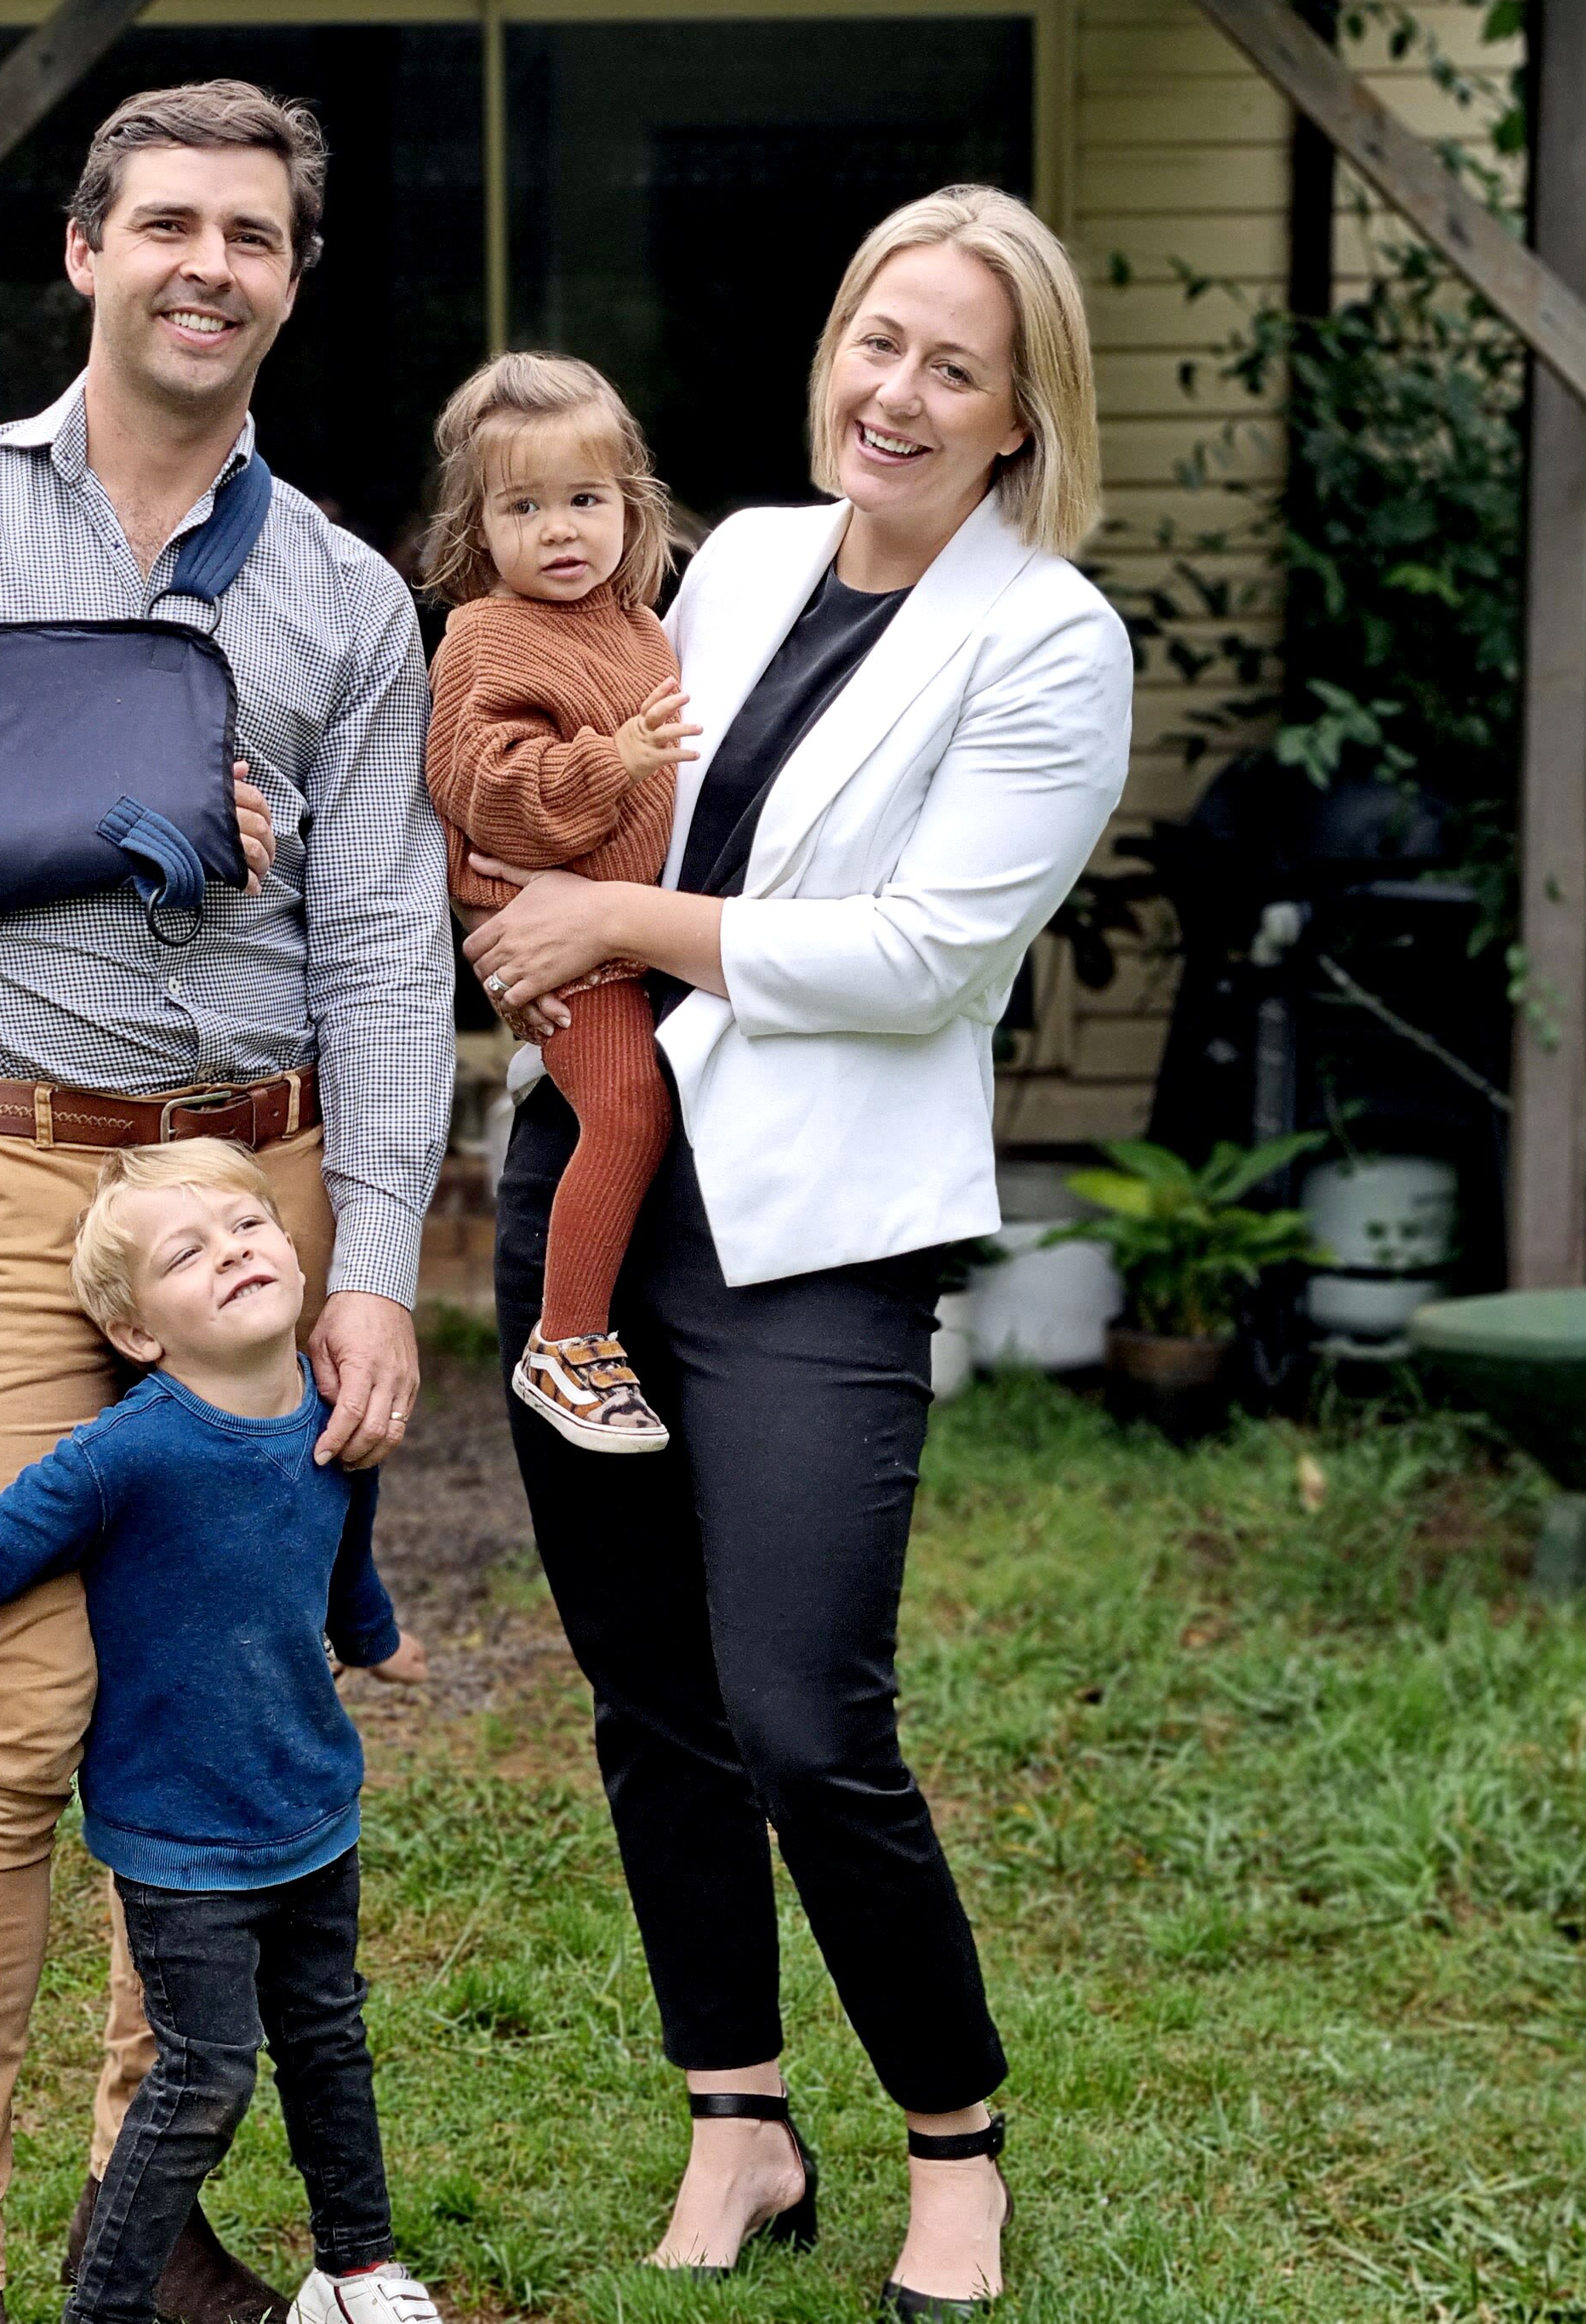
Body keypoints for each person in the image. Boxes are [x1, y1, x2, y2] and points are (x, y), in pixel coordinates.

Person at [0, 78, 455, 2324]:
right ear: (79, 251)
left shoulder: (353, 597)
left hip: (250, 1184)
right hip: (6, 1174)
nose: (205, 263)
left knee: (191, 1709)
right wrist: (126, 811)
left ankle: (138, 2221)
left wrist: (377, 1264)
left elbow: (385, 939)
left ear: (290, 280)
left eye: (250, 235)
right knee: (13, 1716)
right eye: (161, 221)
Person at [456, 185, 1133, 2318]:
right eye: (876, 342)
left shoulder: (1049, 639)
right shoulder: (733, 557)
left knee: (803, 1711)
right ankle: (736, 2119)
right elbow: (571, 768)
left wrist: (615, 930)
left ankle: (957, 2147)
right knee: (653, 1704)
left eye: (954, 365)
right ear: (829, 352)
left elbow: (932, 956)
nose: (899, 393)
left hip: (811, 1245)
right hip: (587, 1182)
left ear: (1021, 416)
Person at [0, 1141, 437, 2324]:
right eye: (190, 1250)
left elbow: (343, 1549)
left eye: (247, 1225)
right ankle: (111, 2305)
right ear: (138, 1335)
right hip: (179, 1842)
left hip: (311, 1808)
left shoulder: (331, 1415)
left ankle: (356, 2269)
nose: (233, 1251)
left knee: (330, 2042)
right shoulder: (125, 1456)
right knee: (208, 2076)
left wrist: (372, 1636)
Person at [417, 352, 694, 1454]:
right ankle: (567, 1339)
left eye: (586, 501)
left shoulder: (638, 626)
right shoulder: (487, 637)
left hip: (637, 936)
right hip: (557, 940)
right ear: (481, 527)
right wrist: (610, 764)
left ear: (631, 507)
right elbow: (489, 795)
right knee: (627, 1112)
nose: (561, 530)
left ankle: (622, 1324)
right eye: (524, 507)